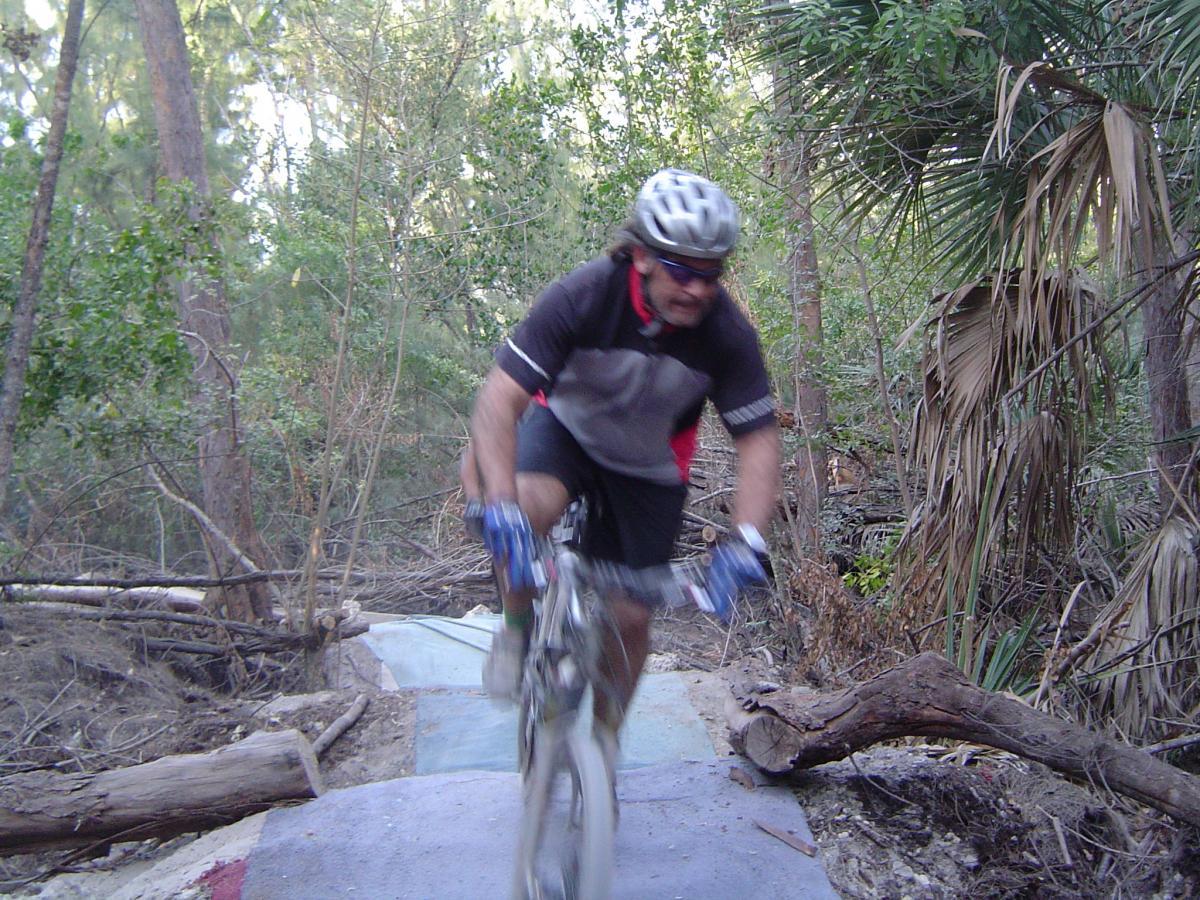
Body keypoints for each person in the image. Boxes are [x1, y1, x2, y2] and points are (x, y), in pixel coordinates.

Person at [466, 168, 780, 767]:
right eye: (684, 271)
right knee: (524, 510)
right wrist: (501, 506)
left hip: (648, 462)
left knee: (631, 615)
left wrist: (746, 543)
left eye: (712, 274)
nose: (698, 290)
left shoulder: (727, 333)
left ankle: (604, 749)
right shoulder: (582, 295)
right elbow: (496, 402)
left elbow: (759, 442)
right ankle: (513, 627)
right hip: (566, 430)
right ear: (641, 255)